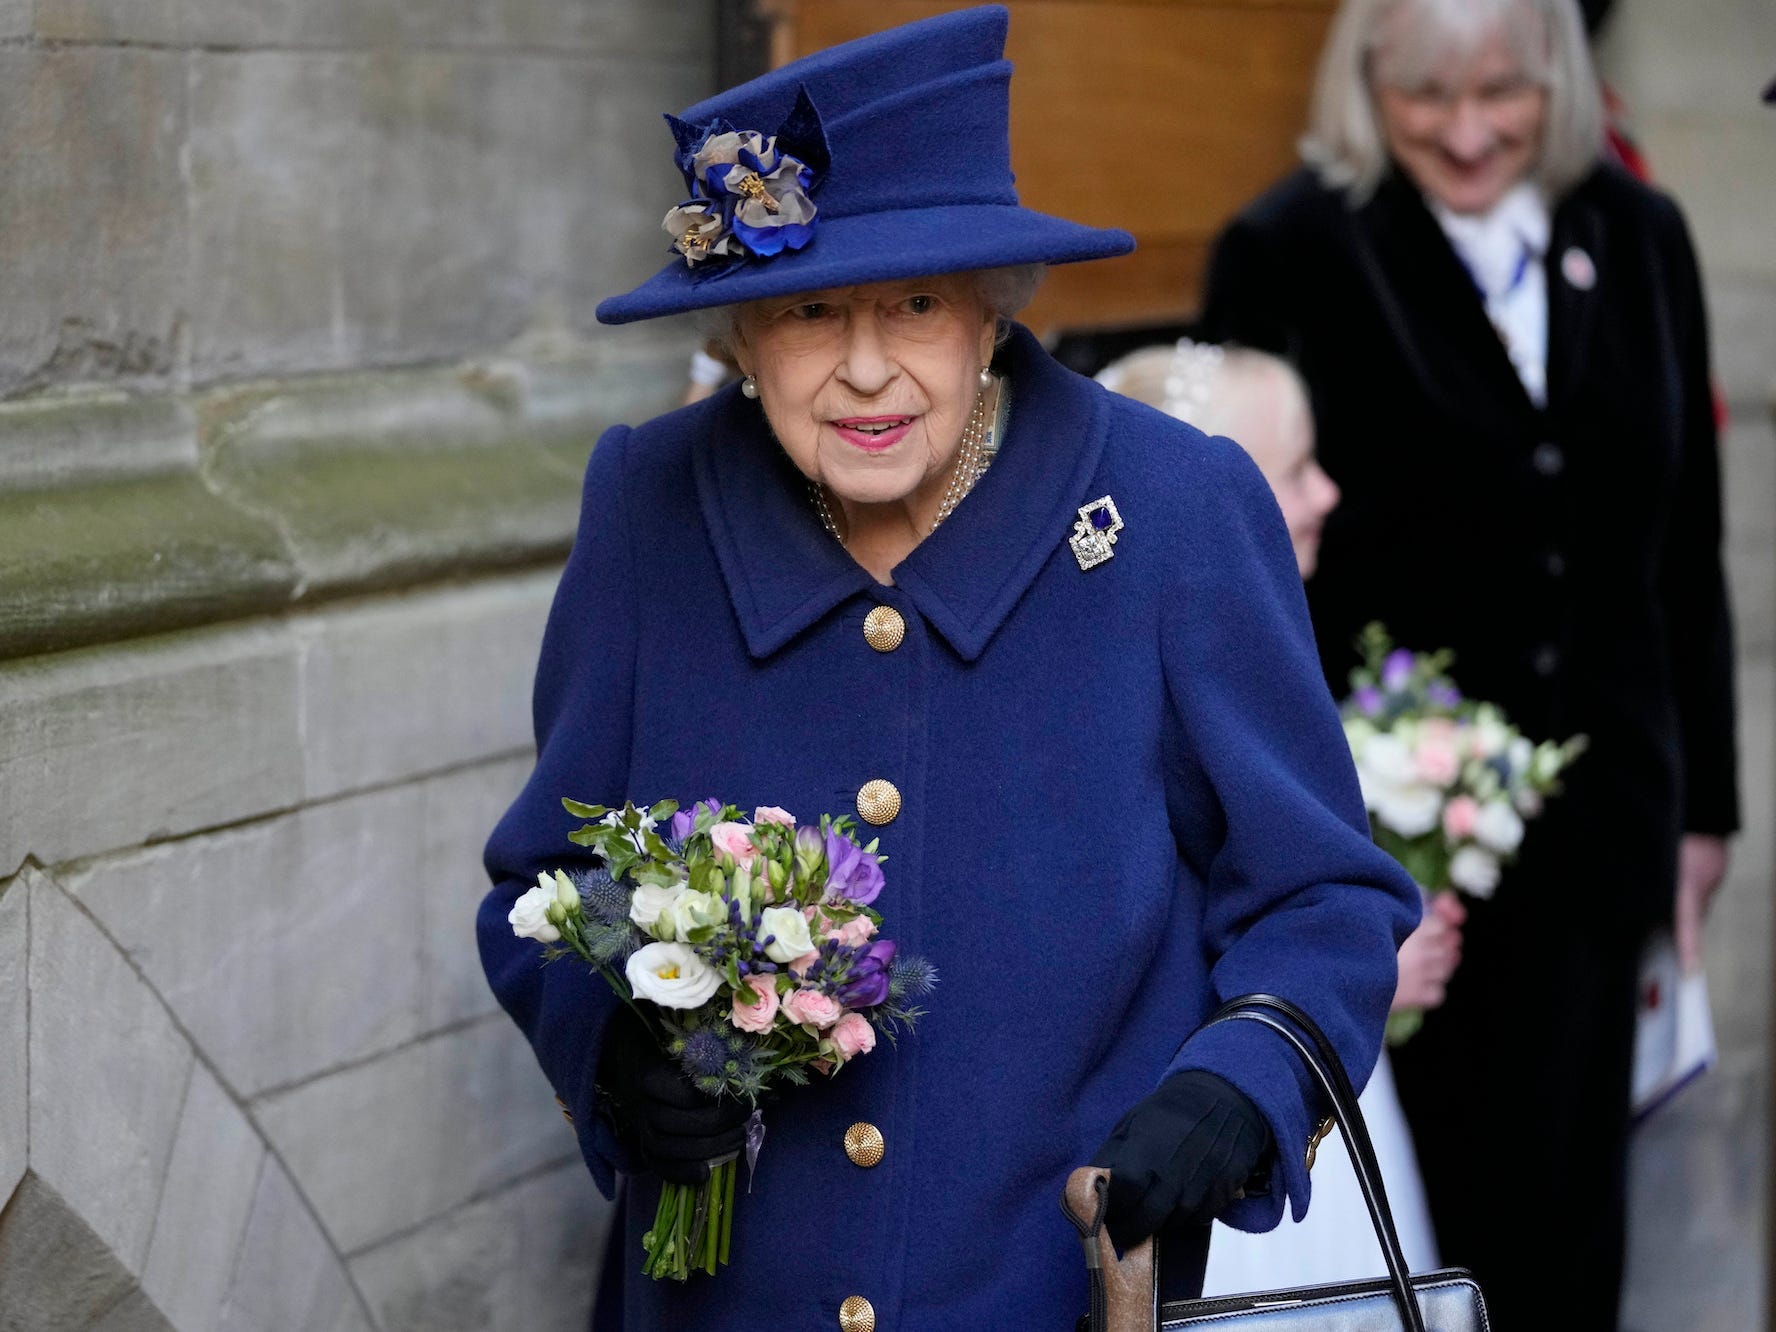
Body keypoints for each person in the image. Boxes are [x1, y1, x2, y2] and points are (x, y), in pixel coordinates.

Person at [477, 8, 1421, 1328]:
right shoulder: (650, 507)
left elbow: (1323, 895)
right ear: (742, 338)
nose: (868, 370)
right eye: (809, 311)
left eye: (916, 304)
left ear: (992, 312)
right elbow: (546, 884)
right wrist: (617, 1048)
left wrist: (1241, 1083)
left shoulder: (1175, 512)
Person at [1193, 1, 1740, 1326]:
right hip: (1400, 855)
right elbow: (1238, 567)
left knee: (1576, 1224)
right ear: (1365, 79)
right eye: (1427, 95)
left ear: (1555, 75)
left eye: (1503, 89)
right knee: (1435, 1240)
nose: (1470, 129)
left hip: (1606, 818)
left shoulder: (1640, 233)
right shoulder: (1288, 248)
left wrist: (1707, 807)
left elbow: (1688, 542)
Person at [1098, 340, 1457, 1287]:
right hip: (1207, 1127)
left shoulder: (1281, 629)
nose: (1326, 493)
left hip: (1297, 1072)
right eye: (1292, 470)